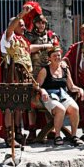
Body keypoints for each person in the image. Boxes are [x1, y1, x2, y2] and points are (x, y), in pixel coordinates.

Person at [0, 3, 57, 147]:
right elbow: (10, 28)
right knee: (10, 106)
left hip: (24, 76)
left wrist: (45, 46)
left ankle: (18, 133)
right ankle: (10, 137)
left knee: (19, 107)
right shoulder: (8, 37)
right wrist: (22, 14)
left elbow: (31, 48)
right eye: (21, 25)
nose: (24, 27)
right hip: (12, 76)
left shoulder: (22, 39)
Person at [35, 45, 84, 146]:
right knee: (60, 109)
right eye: (54, 55)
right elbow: (36, 85)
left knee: (75, 108)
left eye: (59, 55)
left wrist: (80, 89)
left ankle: (74, 136)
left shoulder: (65, 70)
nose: (57, 57)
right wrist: (42, 91)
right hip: (48, 95)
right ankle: (57, 136)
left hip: (62, 94)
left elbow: (71, 87)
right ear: (49, 58)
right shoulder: (45, 70)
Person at [24, 12, 61, 143]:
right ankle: (32, 131)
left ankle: (50, 129)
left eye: (43, 22)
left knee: (49, 100)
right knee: (32, 103)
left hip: (48, 71)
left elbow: (57, 49)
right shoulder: (29, 36)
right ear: (34, 23)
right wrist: (45, 46)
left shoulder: (51, 35)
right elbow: (28, 48)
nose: (41, 25)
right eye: (39, 22)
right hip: (33, 72)